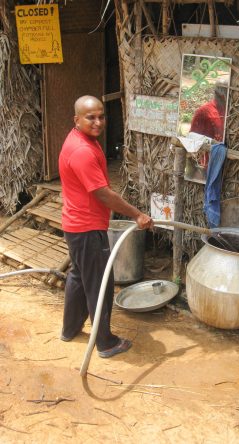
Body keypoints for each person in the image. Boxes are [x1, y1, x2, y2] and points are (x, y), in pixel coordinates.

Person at [58, 95, 153, 358]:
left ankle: (70, 329)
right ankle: (106, 343)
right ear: (76, 119)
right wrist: (137, 214)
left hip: (77, 224)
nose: (98, 122)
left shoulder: (83, 140)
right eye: (91, 117)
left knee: (79, 277)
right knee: (100, 284)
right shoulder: (82, 151)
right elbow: (102, 193)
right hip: (87, 228)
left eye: (101, 116)